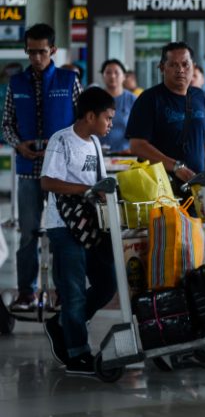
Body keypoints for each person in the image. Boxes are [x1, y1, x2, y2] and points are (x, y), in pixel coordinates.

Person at [2, 23, 82, 311]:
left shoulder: (68, 80)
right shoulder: (16, 83)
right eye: (31, 52)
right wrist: (19, 144)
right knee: (27, 234)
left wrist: (60, 147)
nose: (36, 58)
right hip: (27, 171)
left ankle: (63, 292)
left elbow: (81, 123)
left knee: (62, 234)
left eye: (42, 52)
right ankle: (26, 292)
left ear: (54, 50)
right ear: (26, 50)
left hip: (60, 173)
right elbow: (7, 125)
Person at [41, 87, 117, 374]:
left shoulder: (95, 143)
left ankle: (62, 324)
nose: (110, 124)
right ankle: (77, 354)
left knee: (106, 283)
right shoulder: (61, 140)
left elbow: (100, 180)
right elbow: (47, 182)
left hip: (90, 225)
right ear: (90, 115)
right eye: (107, 118)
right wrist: (87, 190)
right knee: (72, 292)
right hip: (63, 226)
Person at [126, 41, 205, 192]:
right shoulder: (149, 99)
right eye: (173, 65)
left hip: (199, 188)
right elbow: (136, 145)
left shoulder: (200, 97)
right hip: (162, 190)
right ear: (162, 67)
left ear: (193, 67)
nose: (180, 70)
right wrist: (176, 167)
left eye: (185, 64)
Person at [99, 59, 136, 154]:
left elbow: (141, 129)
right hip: (98, 153)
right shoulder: (95, 98)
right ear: (103, 76)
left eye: (116, 72)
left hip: (126, 153)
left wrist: (133, 148)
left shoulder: (133, 100)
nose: (112, 76)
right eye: (108, 72)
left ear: (124, 76)